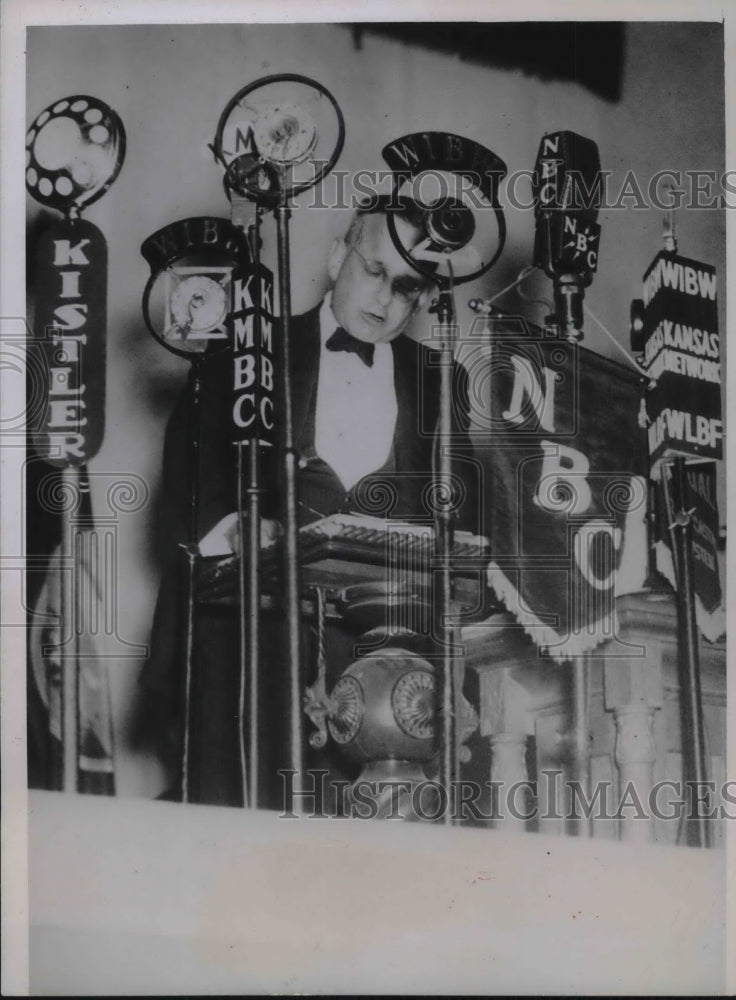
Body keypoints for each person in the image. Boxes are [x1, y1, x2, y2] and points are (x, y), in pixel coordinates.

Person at [141, 196, 479, 807]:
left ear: (428, 297)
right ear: (334, 256)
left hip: (389, 667)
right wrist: (238, 526)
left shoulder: (442, 381)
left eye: (407, 286)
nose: (384, 299)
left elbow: (465, 516)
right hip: (254, 648)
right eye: (374, 271)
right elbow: (191, 471)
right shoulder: (248, 345)